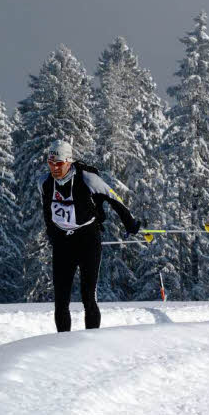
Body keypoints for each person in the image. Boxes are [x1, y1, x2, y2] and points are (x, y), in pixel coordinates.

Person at [41, 140, 141, 332]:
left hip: (88, 240)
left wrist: (130, 224)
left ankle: (91, 344)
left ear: (69, 162)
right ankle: (62, 347)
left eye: (59, 163)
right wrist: (52, 235)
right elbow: (47, 212)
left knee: (89, 296)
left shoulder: (88, 179)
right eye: (50, 163)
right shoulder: (45, 183)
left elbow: (115, 200)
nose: (54, 168)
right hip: (63, 243)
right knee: (61, 300)